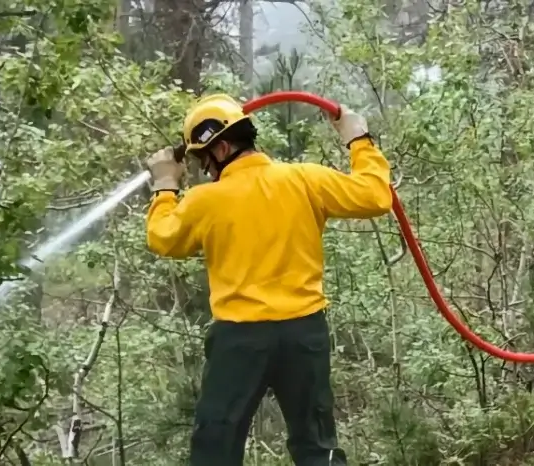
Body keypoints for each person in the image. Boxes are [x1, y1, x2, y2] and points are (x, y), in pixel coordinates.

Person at [142, 94, 393, 466]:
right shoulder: (305, 179)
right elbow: (376, 196)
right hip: (305, 334)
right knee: (316, 447)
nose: (205, 169)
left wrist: (165, 186)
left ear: (222, 147)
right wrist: (358, 140)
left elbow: (162, 238)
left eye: (203, 159)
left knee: (216, 446)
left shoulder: (204, 201)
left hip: (240, 341)